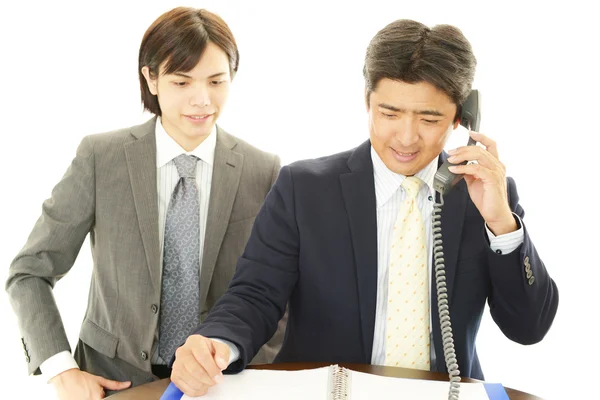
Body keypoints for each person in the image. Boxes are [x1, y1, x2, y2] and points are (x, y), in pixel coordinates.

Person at [168, 18, 559, 397]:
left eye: (429, 118)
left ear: (462, 116)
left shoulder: (487, 195)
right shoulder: (303, 188)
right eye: (389, 114)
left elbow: (529, 328)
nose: (406, 138)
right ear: (367, 102)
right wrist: (217, 344)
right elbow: (253, 296)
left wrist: (500, 223)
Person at [5, 6, 286, 399]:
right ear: (151, 78)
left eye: (216, 81)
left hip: (221, 385)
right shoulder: (101, 158)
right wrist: (61, 369)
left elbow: (279, 294)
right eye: (182, 82)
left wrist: (250, 370)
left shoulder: (264, 170)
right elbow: (30, 272)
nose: (202, 100)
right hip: (112, 381)